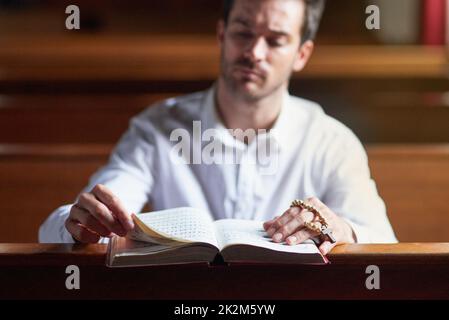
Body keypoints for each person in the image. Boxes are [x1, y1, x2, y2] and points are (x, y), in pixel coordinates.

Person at [39, 0, 397, 254]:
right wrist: (81, 223)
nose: (255, 52)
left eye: (275, 40)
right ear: (222, 34)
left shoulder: (332, 141)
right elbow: (75, 221)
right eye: (243, 32)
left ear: (301, 54)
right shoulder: (157, 127)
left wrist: (340, 228)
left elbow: (383, 242)